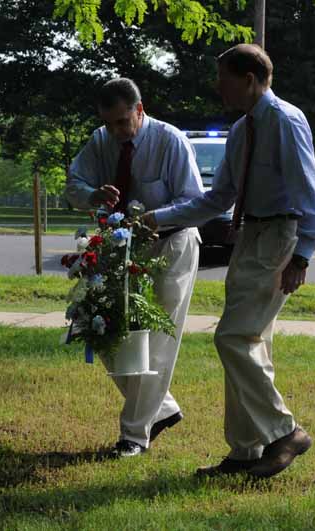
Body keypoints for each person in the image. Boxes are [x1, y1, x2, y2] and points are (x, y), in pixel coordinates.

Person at [143, 44, 315, 478]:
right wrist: (159, 218)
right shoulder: (243, 130)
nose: (217, 87)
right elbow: (218, 197)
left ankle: (285, 432)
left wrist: (303, 253)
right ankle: (245, 452)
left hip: (279, 234)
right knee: (248, 344)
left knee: (233, 337)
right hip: (249, 236)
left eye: (223, 77)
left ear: (248, 78)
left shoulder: (284, 120)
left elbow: (310, 189)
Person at [66, 78, 205, 458]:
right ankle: (161, 409)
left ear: (139, 111)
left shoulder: (170, 140)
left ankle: (134, 436)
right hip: (120, 247)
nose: (115, 131)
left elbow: (194, 200)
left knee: (156, 343)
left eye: (122, 123)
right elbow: (73, 184)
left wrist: (154, 219)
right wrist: (92, 194)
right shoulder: (99, 141)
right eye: (108, 123)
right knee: (103, 331)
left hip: (171, 244)